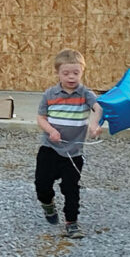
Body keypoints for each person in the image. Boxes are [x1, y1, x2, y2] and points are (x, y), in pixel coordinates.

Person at [35, 48, 103, 239]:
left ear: (82, 72)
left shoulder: (85, 94)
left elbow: (98, 108)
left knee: (71, 188)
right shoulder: (50, 94)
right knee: (42, 185)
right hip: (50, 149)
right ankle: (48, 205)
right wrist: (51, 130)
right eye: (66, 73)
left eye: (76, 73)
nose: (71, 77)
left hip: (74, 153)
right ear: (57, 73)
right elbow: (41, 118)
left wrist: (94, 123)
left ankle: (72, 223)